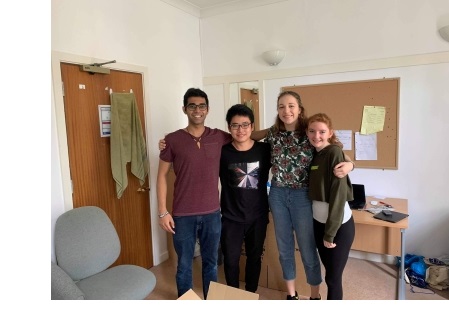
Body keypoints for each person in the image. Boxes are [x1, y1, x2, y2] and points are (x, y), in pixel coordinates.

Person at [250, 90, 354, 300]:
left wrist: (351, 164)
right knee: (285, 248)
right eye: (281, 106)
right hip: (277, 194)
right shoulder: (273, 133)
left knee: (307, 250)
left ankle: (314, 296)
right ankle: (292, 295)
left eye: (291, 106)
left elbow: (338, 151)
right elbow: (249, 134)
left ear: (299, 109)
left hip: (302, 196)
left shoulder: (310, 133)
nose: (286, 110)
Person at [156, 87, 232, 299]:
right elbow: (161, 176)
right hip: (182, 215)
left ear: (207, 109)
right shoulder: (172, 140)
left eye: (201, 106)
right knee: (184, 265)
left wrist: (275, 129)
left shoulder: (219, 137)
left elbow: (246, 134)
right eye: (192, 106)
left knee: (211, 264)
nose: (197, 110)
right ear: (184, 109)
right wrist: (163, 212)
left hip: (212, 213)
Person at [219, 104, 271, 293]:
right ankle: (233, 295)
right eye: (235, 125)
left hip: (257, 216)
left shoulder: (265, 150)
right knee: (231, 259)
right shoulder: (222, 152)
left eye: (245, 125)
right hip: (231, 217)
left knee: (254, 258)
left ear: (252, 126)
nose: (240, 130)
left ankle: (250, 294)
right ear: (228, 127)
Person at [306, 112, 355, 300]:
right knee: (329, 276)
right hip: (318, 222)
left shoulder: (333, 152)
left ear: (330, 132)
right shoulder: (314, 153)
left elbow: (338, 195)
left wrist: (330, 232)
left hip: (337, 226)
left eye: (321, 131)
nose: (316, 136)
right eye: (312, 131)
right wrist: (352, 163)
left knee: (333, 279)